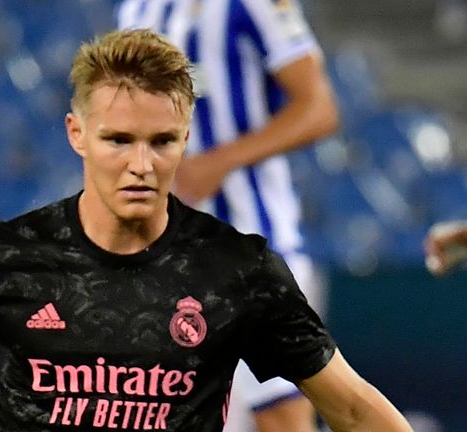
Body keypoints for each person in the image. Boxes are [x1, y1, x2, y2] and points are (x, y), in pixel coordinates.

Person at [0, 29, 411, 432]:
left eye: (161, 141)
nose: (141, 164)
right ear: (77, 134)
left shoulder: (240, 273)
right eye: (118, 140)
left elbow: (355, 409)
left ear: (185, 137)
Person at [117, 1, 340, 431]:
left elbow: (318, 108)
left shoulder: (254, 4)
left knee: (281, 413)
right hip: (161, 252)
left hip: (251, 241)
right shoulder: (136, 7)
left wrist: (217, 162)